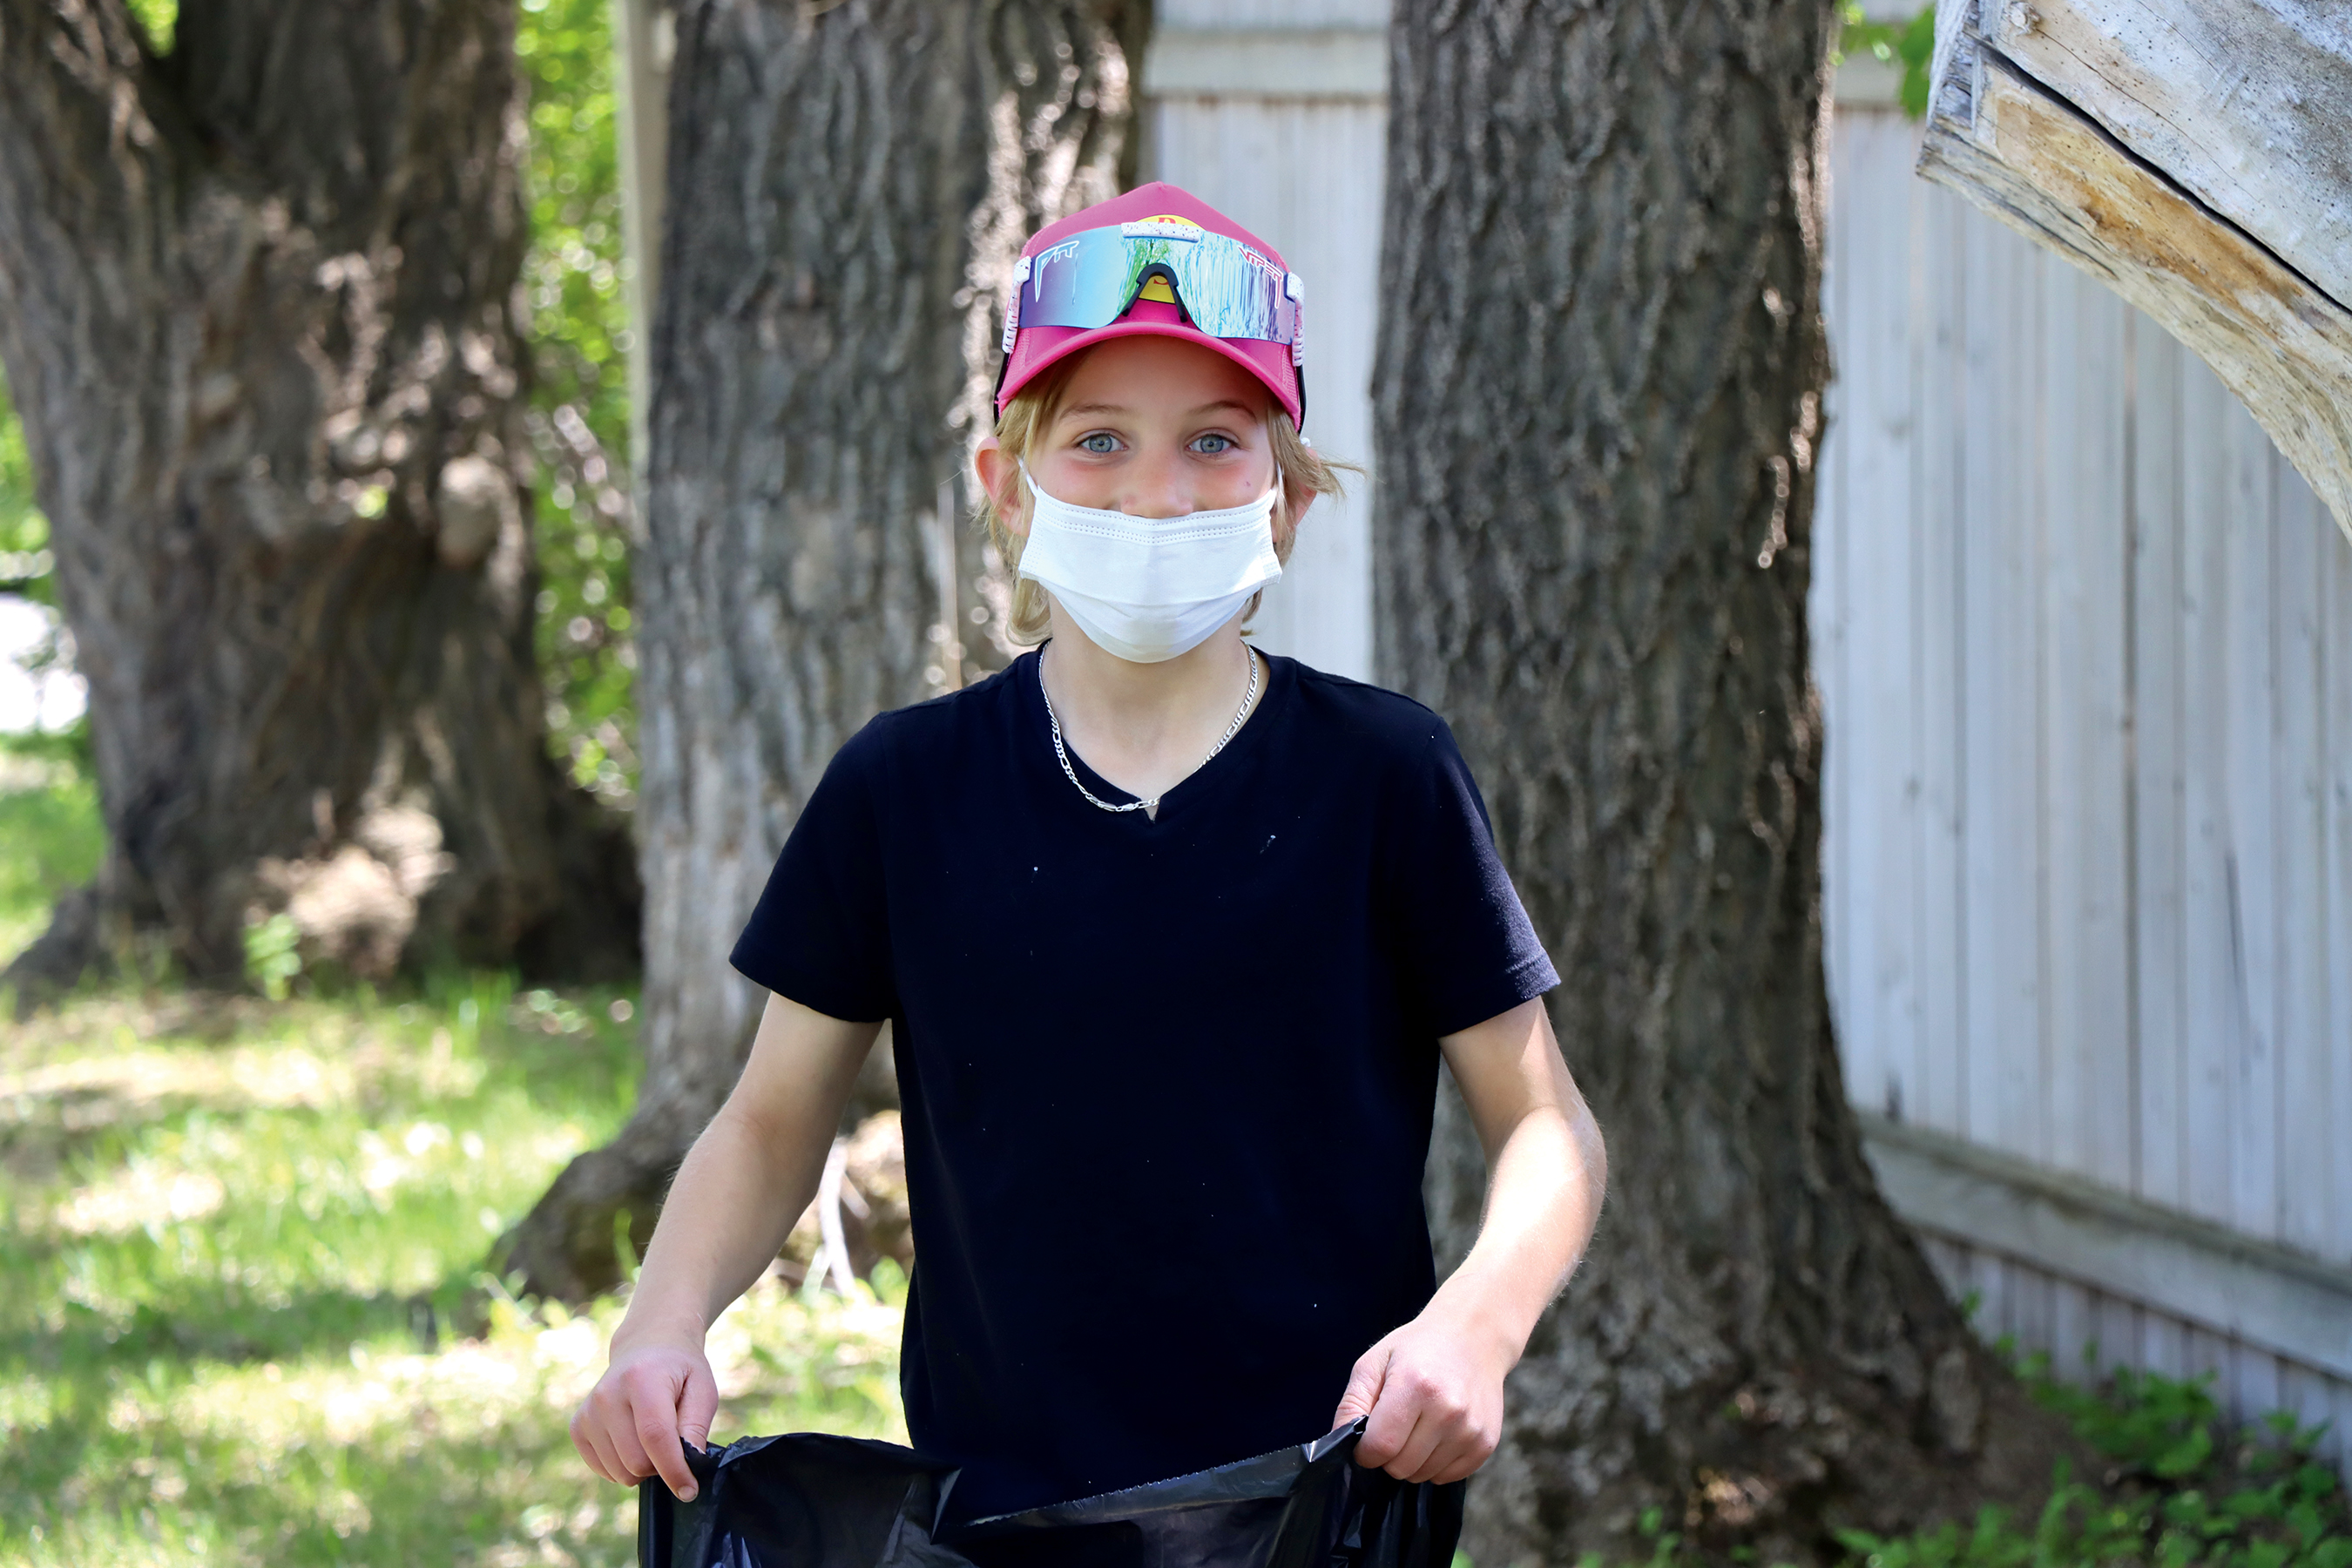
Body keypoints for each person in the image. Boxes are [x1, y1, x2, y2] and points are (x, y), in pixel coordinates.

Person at [569, 182, 1608, 1524]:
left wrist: (1479, 1324)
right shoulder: (904, 788)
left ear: (1284, 501)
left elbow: (1547, 1126)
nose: (1160, 495)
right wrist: (657, 1329)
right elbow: (770, 1122)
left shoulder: (1386, 779)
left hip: (1326, 1507)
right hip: (995, 1519)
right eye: (1100, 440)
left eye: (1218, 443)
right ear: (1010, 491)